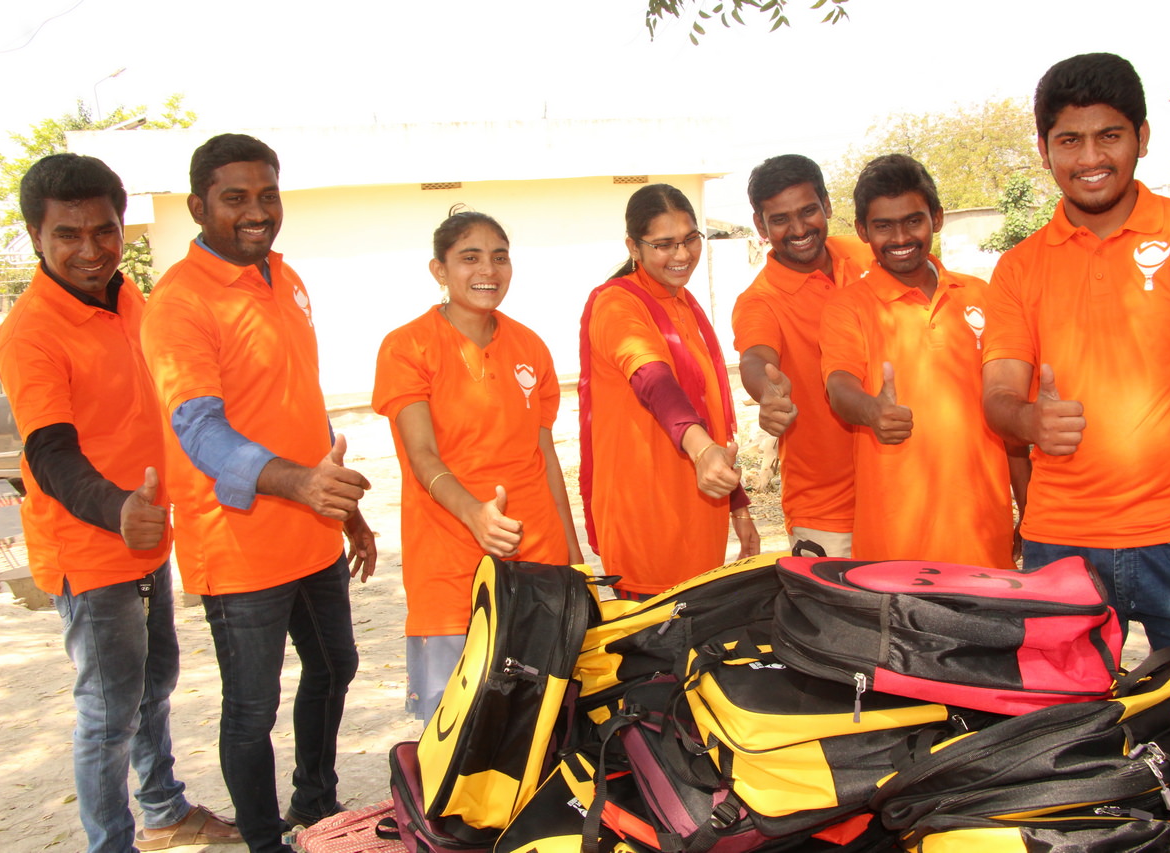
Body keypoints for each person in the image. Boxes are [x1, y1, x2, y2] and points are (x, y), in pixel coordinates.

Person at [981, 53, 1170, 782]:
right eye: (1069, 140)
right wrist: (1028, 420)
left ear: (1142, 137)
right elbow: (997, 397)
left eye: (1108, 136)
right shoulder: (1019, 268)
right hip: (1062, 549)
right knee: (1070, 748)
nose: (1089, 158)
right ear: (1045, 149)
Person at [140, 133, 377, 853]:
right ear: (197, 206)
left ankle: (316, 801)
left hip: (310, 527)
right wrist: (299, 482)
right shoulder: (179, 303)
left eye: (266, 195)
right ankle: (266, 842)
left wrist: (344, 506)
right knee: (251, 707)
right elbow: (198, 429)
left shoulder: (285, 275)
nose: (256, 211)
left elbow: (298, 403)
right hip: (238, 542)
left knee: (337, 664)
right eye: (235, 198)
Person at [0, 154, 240, 852]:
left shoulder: (130, 297)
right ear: (35, 236)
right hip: (91, 545)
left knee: (153, 681)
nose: (90, 249)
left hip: (146, 535)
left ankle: (162, 806)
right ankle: (113, 841)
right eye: (67, 234)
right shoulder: (32, 331)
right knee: (107, 711)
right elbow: (47, 453)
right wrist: (116, 510)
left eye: (104, 231)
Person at [373, 209, 583, 721]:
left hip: (539, 562)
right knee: (455, 730)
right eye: (469, 257)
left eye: (499, 257)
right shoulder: (407, 346)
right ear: (439, 270)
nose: (487, 269)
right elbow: (421, 455)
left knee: (541, 721)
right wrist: (475, 514)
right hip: (450, 565)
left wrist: (573, 558)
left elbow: (544, 456)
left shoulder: (529, 345)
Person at [820, 154, 1026, 568]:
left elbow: (1013, 424)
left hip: (985, 539)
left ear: (937, 217)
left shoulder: (983, 297)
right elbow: (839, 386)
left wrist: (1031, 508)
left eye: (913, 221)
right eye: (883, 226)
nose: (900, 237)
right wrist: (871, 410)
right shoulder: (847, 308)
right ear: (862, 230)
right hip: (895, 552)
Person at [579, 183, 759, 597]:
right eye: (664, 244)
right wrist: (700, 449)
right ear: (633, 247)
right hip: (648, 524)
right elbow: (653, 381)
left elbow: (708, 410)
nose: (681, 255)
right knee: (658, 653)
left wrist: (739, 505)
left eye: (689, 239)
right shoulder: (617, 305)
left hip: (700, 520)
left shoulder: (683, 303)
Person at [731, 154, 872, 557]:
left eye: (808, 211)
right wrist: (767, 393)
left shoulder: (866, 255)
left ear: (827, 205)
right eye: (779, 219)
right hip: (826, 515)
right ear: (760, 225)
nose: (798, 230)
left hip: (902, 492)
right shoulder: (760, 301)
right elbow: (756, 357)